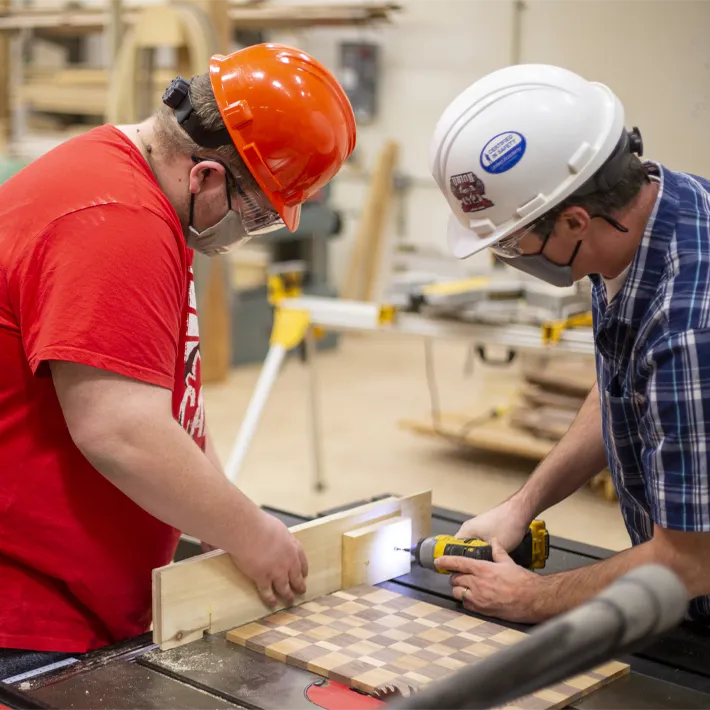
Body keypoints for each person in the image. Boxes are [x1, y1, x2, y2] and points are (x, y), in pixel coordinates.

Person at [0, 42, 356, 676]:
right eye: (256, 215)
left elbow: (169, 395)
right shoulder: (117, 220)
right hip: (28, 609)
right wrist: (253, 534)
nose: (246, 234)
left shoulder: (133, 185)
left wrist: (217, 509)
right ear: (207, 176)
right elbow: (120, 429)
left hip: (67, 595)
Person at [427, 63, 710, 625]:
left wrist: (532, 597)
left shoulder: (689, 325)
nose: (509, 257)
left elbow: (690, 560)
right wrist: (521, 506)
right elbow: (618, 391)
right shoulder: (648, 225)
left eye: (512, 240)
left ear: (575, 220)